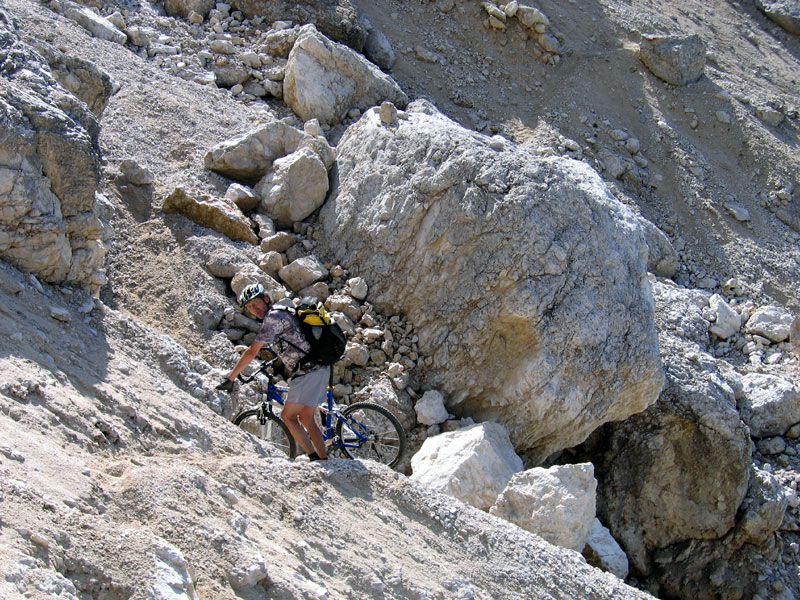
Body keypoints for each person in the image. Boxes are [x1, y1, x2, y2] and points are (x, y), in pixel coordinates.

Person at [216, 283, 328, 461]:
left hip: (307, 372)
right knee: (306, 418)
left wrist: (231, 377)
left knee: (288, 417)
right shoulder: (283, 310)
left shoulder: (272, 318)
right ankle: (324, 460)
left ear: (266, 299)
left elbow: (251, 352)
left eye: (256, 303)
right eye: (250, 307)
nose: (254, 309)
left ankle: (314, 459)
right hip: (320, 368)